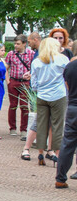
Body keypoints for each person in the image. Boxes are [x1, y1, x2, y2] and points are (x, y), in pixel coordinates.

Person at [30, 37, 68, 166]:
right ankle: (57, 155)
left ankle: (40, 152)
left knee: (41, 125)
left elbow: (33, 83)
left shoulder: (37, 62)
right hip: (58, 95)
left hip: (42, 96)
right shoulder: (62, 59)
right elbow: (66, 77)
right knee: (57, 125)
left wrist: (39, 90)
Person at [4, 34, 34, 138]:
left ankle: (24, 129)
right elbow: (5, 68)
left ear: (24, 44)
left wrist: (30, 75)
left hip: (25, 83)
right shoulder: (11, 54)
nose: (15, 46)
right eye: (15, 43)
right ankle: (12, 128)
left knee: (24, 106)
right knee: (13, 105)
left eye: (18, 44)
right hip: (13, 81)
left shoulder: (31, 54)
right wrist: (8, 81)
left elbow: (35, 68)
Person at [54, 51, 77, 188]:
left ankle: (60, 178)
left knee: (67, 145)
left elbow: (67, 86)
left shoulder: (70, 66)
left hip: (73, 108)